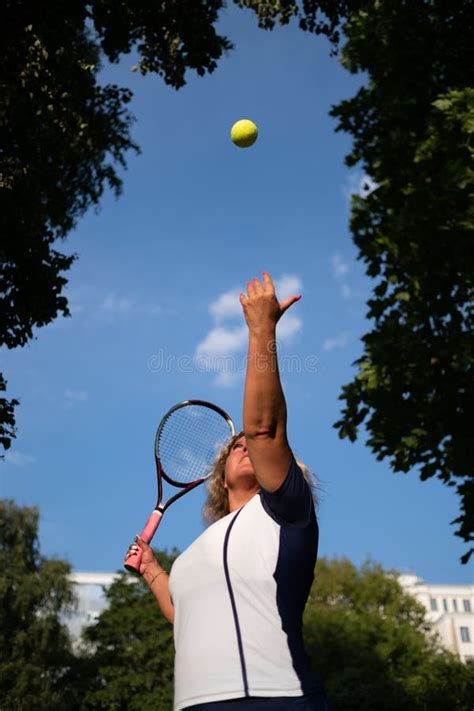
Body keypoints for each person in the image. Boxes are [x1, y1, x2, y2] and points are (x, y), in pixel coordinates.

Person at [125, 272, 331, 711]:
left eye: (250, 446)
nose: (243, 444)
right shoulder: (197, 552)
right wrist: (152, 571)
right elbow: (186, 615)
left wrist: (261, 329)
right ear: (220, 479)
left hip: (276, 698)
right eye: (234, 447)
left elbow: (263, 428)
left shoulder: (284, 511)